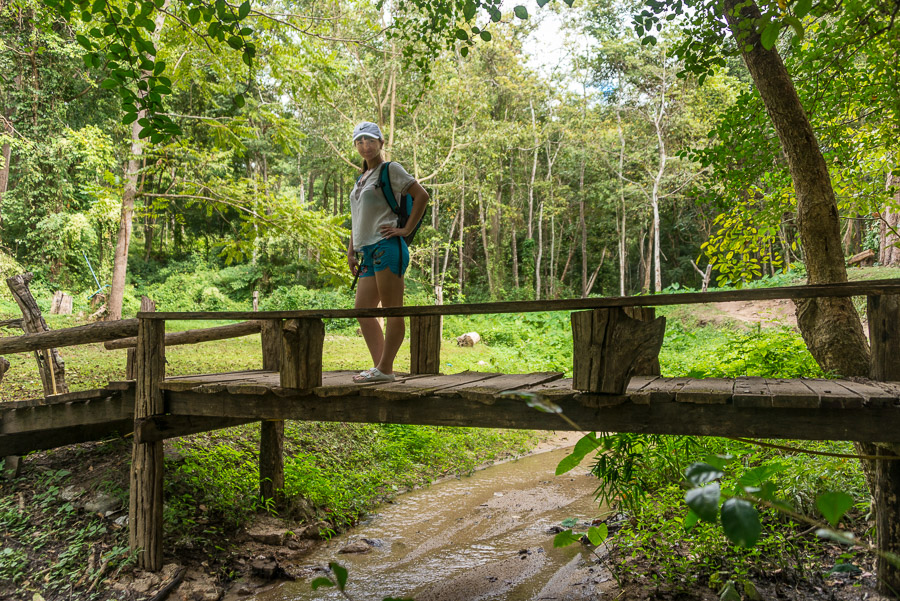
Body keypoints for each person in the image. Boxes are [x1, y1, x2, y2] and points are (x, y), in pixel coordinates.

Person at [347, 121, 429, 383]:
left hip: (387, 247)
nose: (365, 145)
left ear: (381, 143)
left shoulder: (390, 170)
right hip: (367, 252)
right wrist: (351, 251)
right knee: (364, 310)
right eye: (359, 141)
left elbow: (422, 195)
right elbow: (357, 218)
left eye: (370, 140)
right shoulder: (361, 178)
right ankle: (382, 368)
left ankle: (385, 369)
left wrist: (405, 230)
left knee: (393, 310)